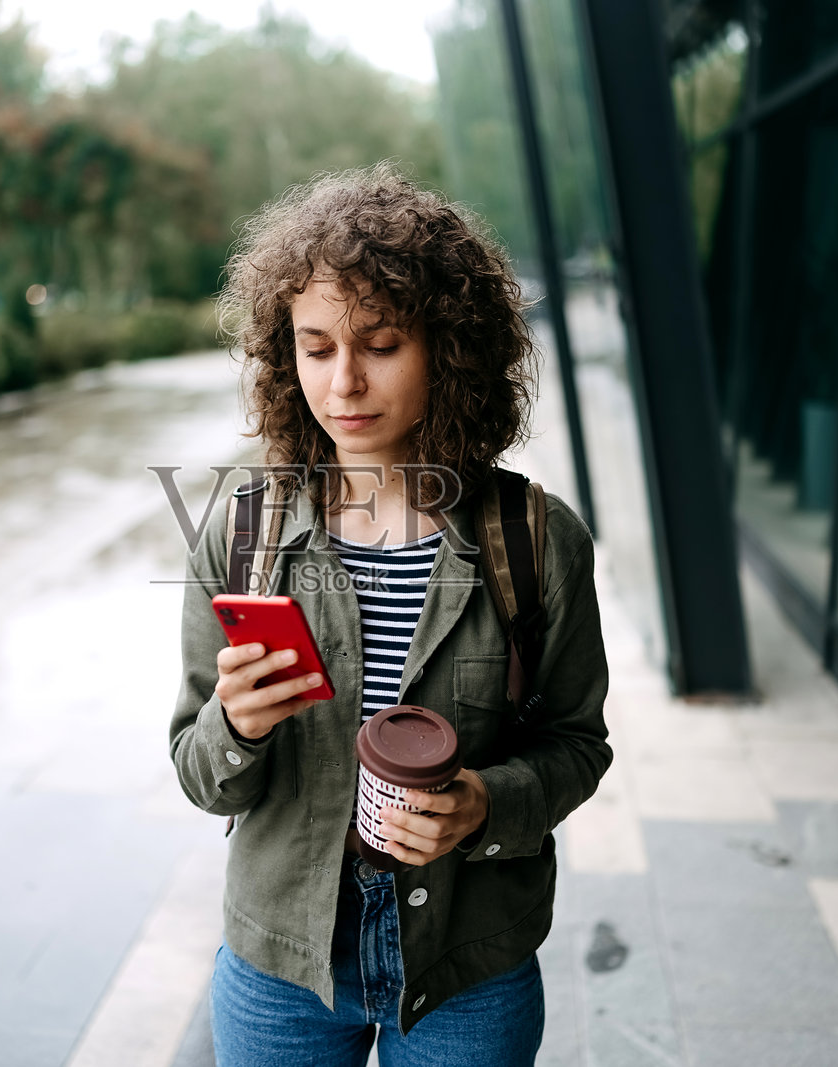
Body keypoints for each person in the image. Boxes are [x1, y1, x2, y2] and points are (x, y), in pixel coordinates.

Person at [168, 164, 611, 1067]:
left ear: (447, 348)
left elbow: (576, 742)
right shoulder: (244, 528)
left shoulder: (535, 540)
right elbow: (199, 771)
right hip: (282, 965)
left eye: (381, 343)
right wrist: (237, 725)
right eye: (317, 346)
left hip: (465, 963)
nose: (345, 384)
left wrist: (487, 802)